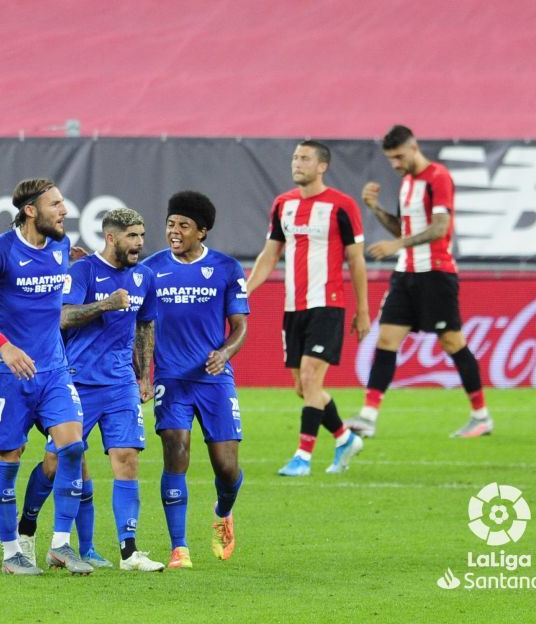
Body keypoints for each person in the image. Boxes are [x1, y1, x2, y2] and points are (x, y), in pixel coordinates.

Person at [14, 207, 164, 573]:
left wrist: (144, 376)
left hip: (121, 384)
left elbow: (145, 326)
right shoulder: (82, 271)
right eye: (132, 236)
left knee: (127, 458)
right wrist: (106, 304)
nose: (139, 243)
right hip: (77, 380)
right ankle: (27, 527)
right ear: (111, 237)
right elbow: (63, 316)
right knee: (58, 461)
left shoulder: (144, 277)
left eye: (142, 235)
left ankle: (129, 551)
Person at [0, 177, 93, 576]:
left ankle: (61, 546)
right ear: (32, 210)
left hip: (53, 369)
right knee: (6, 459)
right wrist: (4, 345)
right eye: (56, 204)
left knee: (71, 448)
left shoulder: (62, 246)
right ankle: (12, 553)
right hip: (7, 372)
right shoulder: (0, 250)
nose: (64, 211)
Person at [344, 125, 492, 438]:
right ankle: (368, 417)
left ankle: (480, 416)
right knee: (386, 340)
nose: (395, 164)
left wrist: (397, 247)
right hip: (406, 274)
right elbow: (403, 230)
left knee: (452, 342)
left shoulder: (438, 177)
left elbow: (440, 228)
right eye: (390, 159)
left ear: (414, 147)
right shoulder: (407, 183)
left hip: (436, 273)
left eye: (399, 157)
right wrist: (374, 208)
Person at [246, 140, 370, 477]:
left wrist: (363, 311)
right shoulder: (282, 205)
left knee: (311, 378)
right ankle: (344, 438)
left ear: (322, 166)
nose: (297, 163)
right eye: (295, 157)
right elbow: (270, 254)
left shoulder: (341, 206)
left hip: (327, 305)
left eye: (305, 158)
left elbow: (357, 261)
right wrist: (245, 290)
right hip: (292, 308)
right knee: (303, 388)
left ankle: (302, 456)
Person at [142, 191, 249, 569]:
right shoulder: (151, 268)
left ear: (201, 231)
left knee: (226, 466)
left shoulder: (227, 268)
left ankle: (223, 512)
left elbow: (240, 326)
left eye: (184, 226)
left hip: (213, 379)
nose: (174, 231)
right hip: (171, 378)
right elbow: (142, 325)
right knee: (176, 451)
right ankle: (179, 547)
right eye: (171, 224)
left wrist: (225, 353)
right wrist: (142, 372)